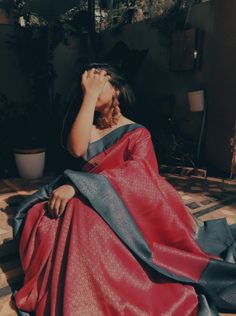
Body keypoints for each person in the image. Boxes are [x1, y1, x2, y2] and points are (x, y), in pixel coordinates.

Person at [13, 63, 236, 316]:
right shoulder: (88, 127)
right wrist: (90, 95)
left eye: (99, 83)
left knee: (80, 215)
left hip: (125, 205)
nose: (92, 88)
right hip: (86, 193)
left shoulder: (137, 133)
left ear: (116, 90)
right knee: (39, 217)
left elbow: (140, 175)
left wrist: (79, 187)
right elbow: (76, 150)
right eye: (87, 84)